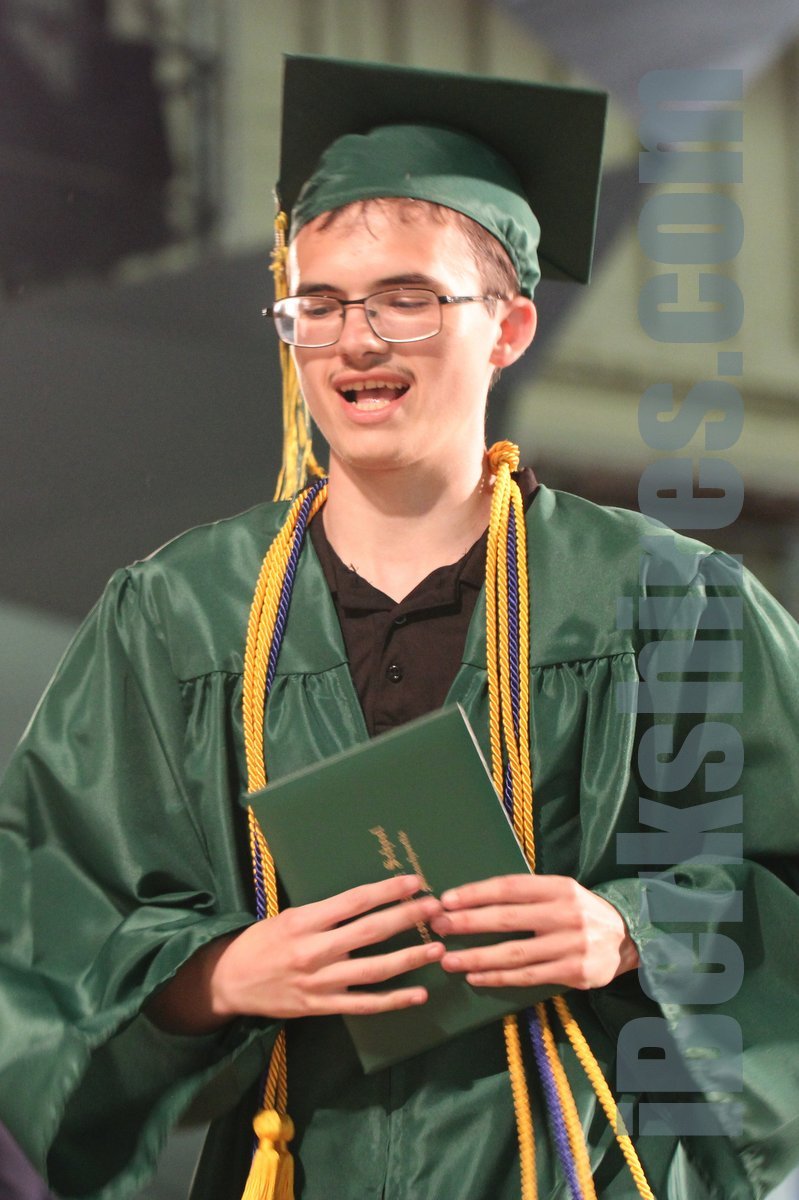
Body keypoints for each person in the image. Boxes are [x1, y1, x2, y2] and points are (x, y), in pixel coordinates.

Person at [1, 54, 798, 1200]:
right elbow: (39, 922)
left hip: (583, 1169)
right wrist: (216, 976)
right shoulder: (181, 614)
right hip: (298, 1165)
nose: (354, 341)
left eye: (406, 299)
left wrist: (630, 930)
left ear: (508, 327)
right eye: (317, 304)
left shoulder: (666, 604)